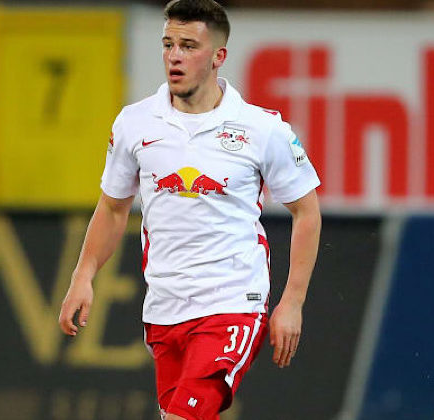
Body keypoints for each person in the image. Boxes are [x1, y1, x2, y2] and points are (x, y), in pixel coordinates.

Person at [58, 1, 322, 419]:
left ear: (218, 56)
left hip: (233, 303)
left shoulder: (262, 128)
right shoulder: (135, 123)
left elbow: (306, 211)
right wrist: (83, 275)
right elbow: (112, 208)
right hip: (164, 309)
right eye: (168, 44)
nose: (174, 56)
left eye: (188, 46)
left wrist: (292, 301)